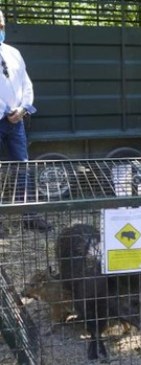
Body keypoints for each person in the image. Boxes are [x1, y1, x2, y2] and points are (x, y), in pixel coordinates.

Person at [0, 9, 51, 236]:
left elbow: (26, 84)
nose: (1, 29)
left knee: (23, 167)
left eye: (1, 25)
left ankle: (29, 215)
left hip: (16, 121)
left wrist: (22, 108)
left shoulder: (13, 53)